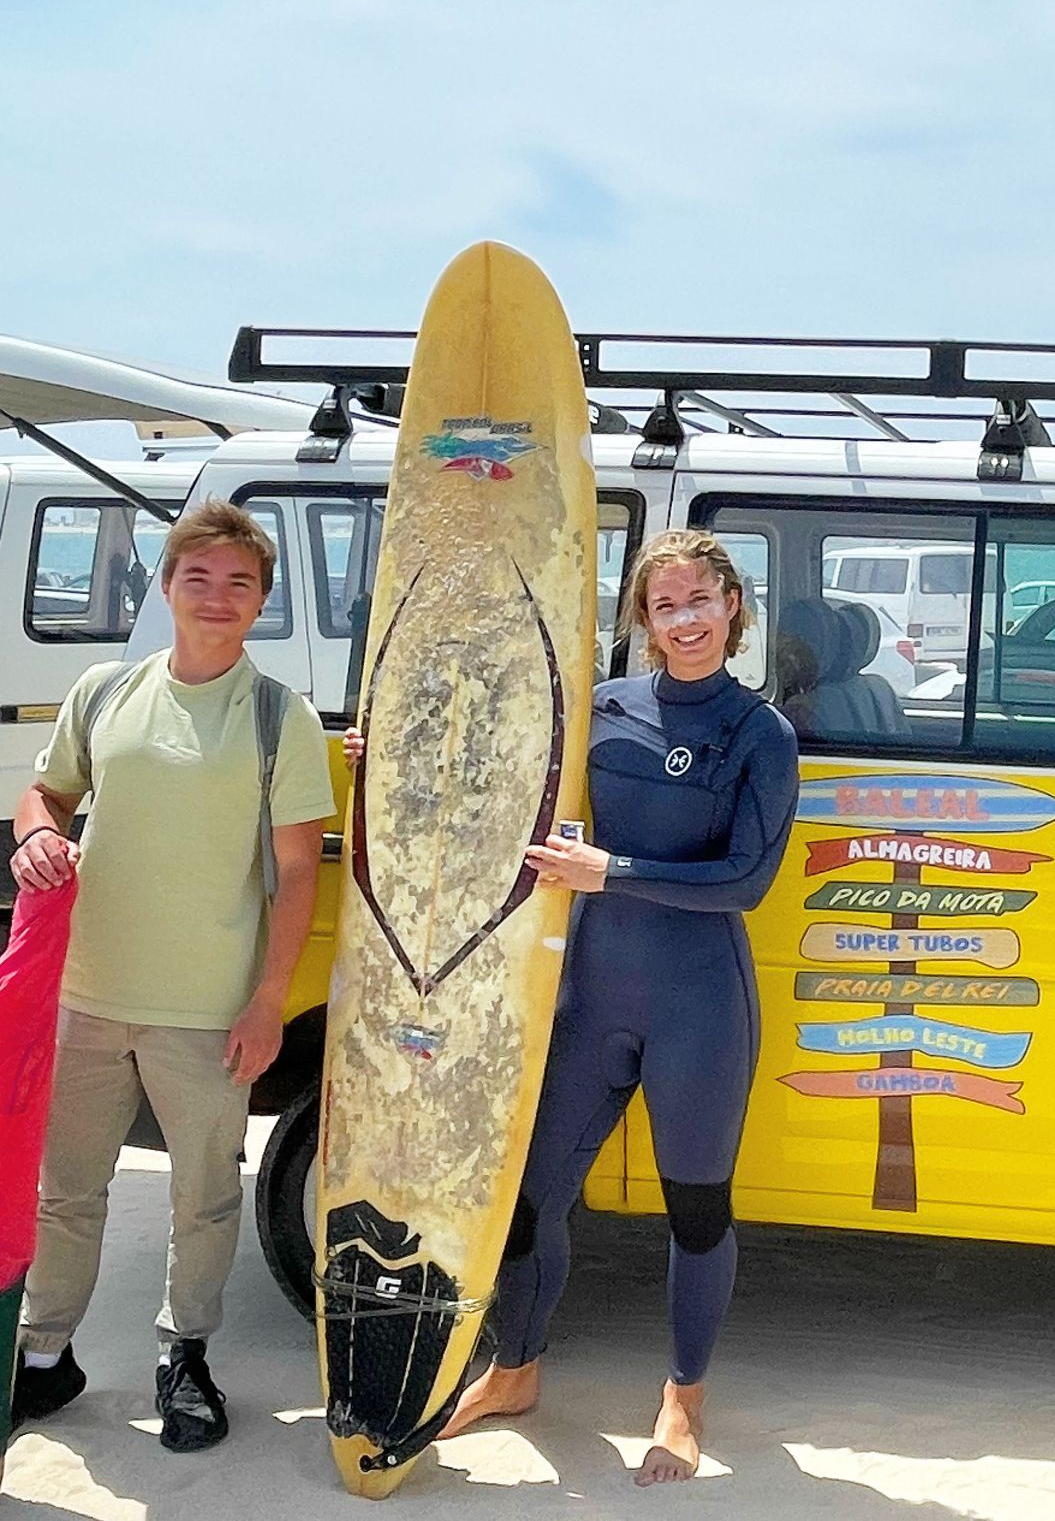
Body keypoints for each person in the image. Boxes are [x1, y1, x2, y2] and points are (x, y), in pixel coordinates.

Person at [433, 528, 800, 1485]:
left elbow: (746, 880)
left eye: (702, 601)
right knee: (527, 1197)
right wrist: (380, 739)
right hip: (593, 997)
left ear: (733, 607)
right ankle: (515, 1369)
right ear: (643, 617)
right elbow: (503, 770)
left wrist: (611, 869)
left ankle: (684, 1397)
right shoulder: (603, 708)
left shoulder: (760, 733)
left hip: (699, 1004)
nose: (686, 621)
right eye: (665, 604)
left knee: (696, 1209)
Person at [8, 500, 333, 1451]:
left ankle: (184, 1356)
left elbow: (299, 870)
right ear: (167, 584)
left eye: (240, 582)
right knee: (66, 1188)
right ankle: (43, 1355)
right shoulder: (105, 692)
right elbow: (49, 788)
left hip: (205, 1009)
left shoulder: (281, 718)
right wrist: (36, 830)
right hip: (86, 993)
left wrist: (268, 1001)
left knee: (204, 1195)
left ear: (262, 600)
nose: (218, 596)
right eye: (200, 577)